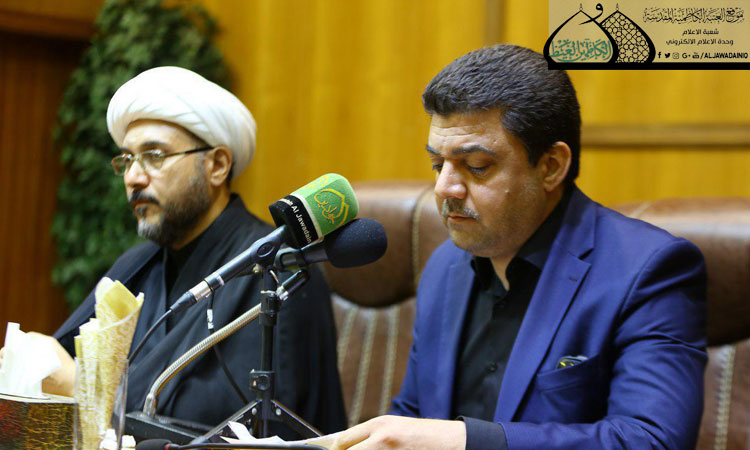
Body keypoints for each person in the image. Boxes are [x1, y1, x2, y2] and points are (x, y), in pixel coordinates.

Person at [332, 45, 707, 449]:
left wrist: (466, 441)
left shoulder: (648, 270)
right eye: (438, 164)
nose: (444, 188)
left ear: (551, 167)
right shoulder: (445, 265)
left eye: (476, 166)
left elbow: (652, 440)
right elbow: (415, 417)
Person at [35, 67, 346, 435]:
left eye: (154, 155)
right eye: (127, 160)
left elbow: (242, 427)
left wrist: (86, 392)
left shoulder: (280, 272)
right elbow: (55, 360)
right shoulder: (137, 265)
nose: (133, 177)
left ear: (217, 165)